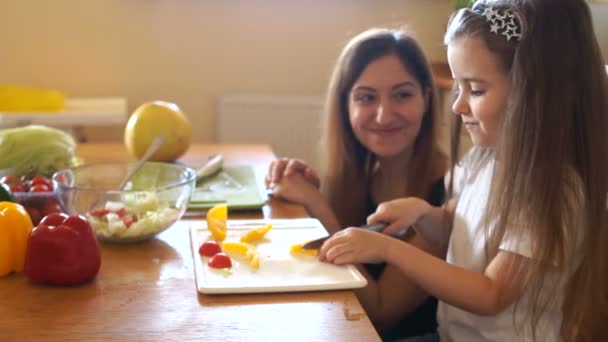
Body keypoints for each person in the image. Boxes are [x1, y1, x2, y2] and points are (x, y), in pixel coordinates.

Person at [319, 0, 608, 341]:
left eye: (477, 89)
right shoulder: (483, 159)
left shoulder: (551, 190)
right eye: (459, 87)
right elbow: (454, 228)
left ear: (536, 95)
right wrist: (424, 214)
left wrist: (390, 249)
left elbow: (492, 293)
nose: (457, 105)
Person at [266, 28, 448, 339]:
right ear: (345, 106)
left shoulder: (445, 199)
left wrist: (318, 206)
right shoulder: (363, 175)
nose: (383, 115)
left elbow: (379, 313)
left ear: (427, 100)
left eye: (402, 95)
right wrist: (313, 191)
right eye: (366, 97)